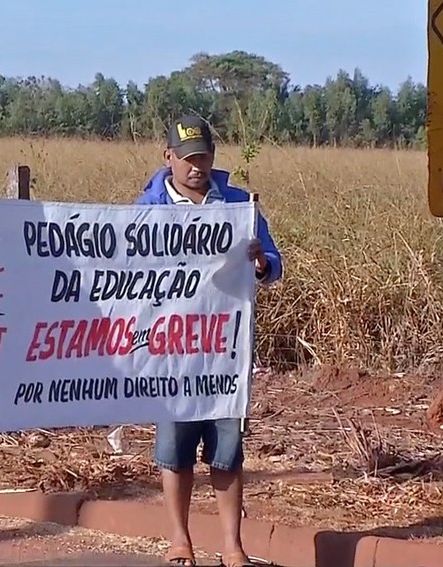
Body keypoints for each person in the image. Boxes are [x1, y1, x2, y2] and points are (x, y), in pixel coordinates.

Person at [135, 114, 283, 567]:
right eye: (187, 158)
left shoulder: (239, 204)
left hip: (224, 350)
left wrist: (260, 262)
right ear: (168, 158)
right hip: (171, 350)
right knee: (175, 450)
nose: (197, 166)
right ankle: (180, 540)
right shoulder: (148, 209)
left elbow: (274, 265)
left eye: (204, 156)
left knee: (227, 451)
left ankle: (232, 545)